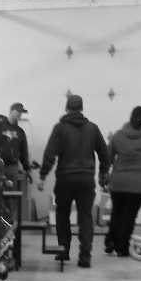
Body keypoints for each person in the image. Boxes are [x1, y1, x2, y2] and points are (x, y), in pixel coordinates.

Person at [39, 93, 111, 268]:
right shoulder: (92, 128)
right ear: (82, 108)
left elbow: (50, 154)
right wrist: (103, 175)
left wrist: (42, 176)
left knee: (62, 214)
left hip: (65, 178)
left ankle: (63, 251)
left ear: (66, 108)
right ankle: (85, 257)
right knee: (86, 216)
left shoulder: (60, 128)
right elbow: (105, 154)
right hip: (86, 178)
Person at [102, 105, 141, 257]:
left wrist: (103, 175)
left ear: (130, 116)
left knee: (117, 213)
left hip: (118, 182)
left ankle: (110, 241)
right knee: (129, 216)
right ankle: (122, 247)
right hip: (139, 184)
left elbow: (107, 158)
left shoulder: (118, 136)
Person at [0, 102, 31, 182]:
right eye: (18, 111)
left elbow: (24, 153)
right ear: (11, 111)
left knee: (11, 188)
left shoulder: (20, 132)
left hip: (13, 167)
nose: (20, 114)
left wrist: (27, 169)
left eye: (21, 112)